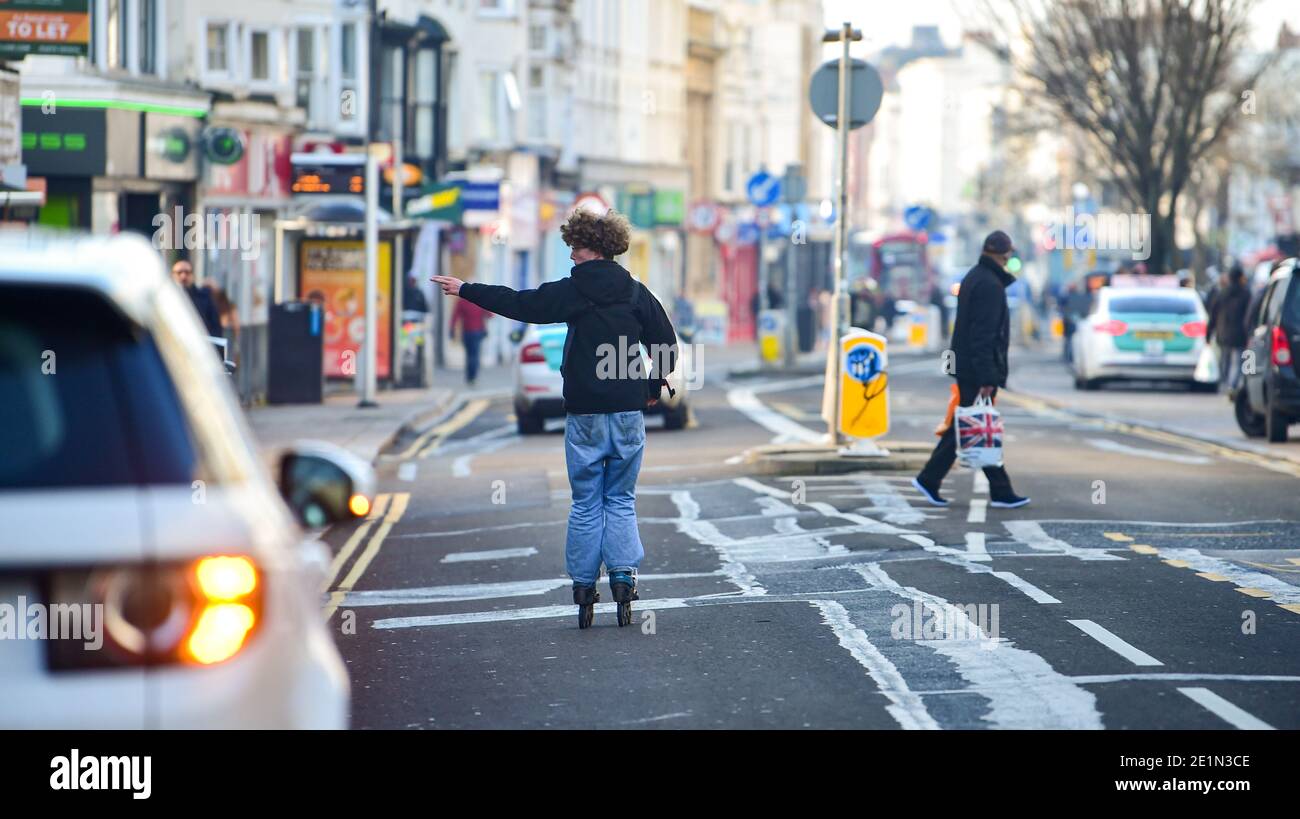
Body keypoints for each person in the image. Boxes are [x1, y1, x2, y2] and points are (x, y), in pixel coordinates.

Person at [432, 209, 678, 629]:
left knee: (586, 500)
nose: (572, 256)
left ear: (595, 248)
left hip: (583, 411)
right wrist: (652, 387)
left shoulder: (573, 291)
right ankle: (622, 577)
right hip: (625, 410)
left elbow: (520, 303)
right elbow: (667, 345)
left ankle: (584, 585)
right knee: (619, 498)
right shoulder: (637, 294)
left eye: (576, 248)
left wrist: (467, 290)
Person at [913, 230, 1030, 510]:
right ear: (1005, 254)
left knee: (969, 425)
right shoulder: (989, 285)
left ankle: (936, 480)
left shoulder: (975, 277)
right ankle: (995, 489)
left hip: (967, 366)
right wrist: (988, 377)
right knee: (974, 425)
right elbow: (983, 336)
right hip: (977, 371)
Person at [1207, 264, 1250, 393]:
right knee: (1237, 361)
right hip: (1240, 334)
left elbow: (1213, 315)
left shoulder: (1222, 293)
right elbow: (1250, 314)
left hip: (1223, 333)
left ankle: (1225, 383)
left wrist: (1208, 334)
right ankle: (1232, 385)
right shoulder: (1246, 293)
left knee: (1224, 360)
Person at [171, 259, 223, 339]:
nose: (183, 276)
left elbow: (215, 328)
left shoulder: (205, 298)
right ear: (173, 275)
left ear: (192, 275)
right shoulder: (166, 301)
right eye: (179, 272)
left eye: (187, 272)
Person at [449, 294, 491, 386]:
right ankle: (473, 377)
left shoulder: (462, 302)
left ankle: (469, 376)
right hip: (478, 331)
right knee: (475, 355)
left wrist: (451, 329)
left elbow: (455, 315)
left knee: (469, 355)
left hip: (466, 332)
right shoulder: (479, 300)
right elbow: (490, 314)